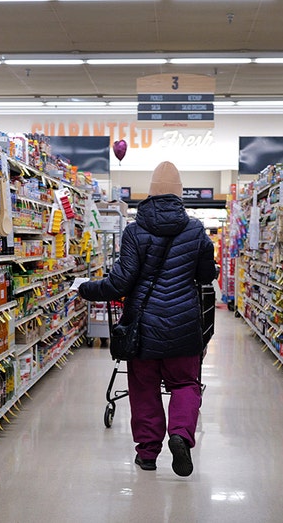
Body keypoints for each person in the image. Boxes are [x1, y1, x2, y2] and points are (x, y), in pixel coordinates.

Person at [78, 161, 217, 476]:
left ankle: (148, 454)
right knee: (185, 384)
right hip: (184, 325)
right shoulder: (196, 229)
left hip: (143, 327)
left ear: (150, 194)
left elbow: (120, 283)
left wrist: (86, 289)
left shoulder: (134, 230)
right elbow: (207, 275)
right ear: (180, 195)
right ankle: (180, 434)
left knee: (144, 389)